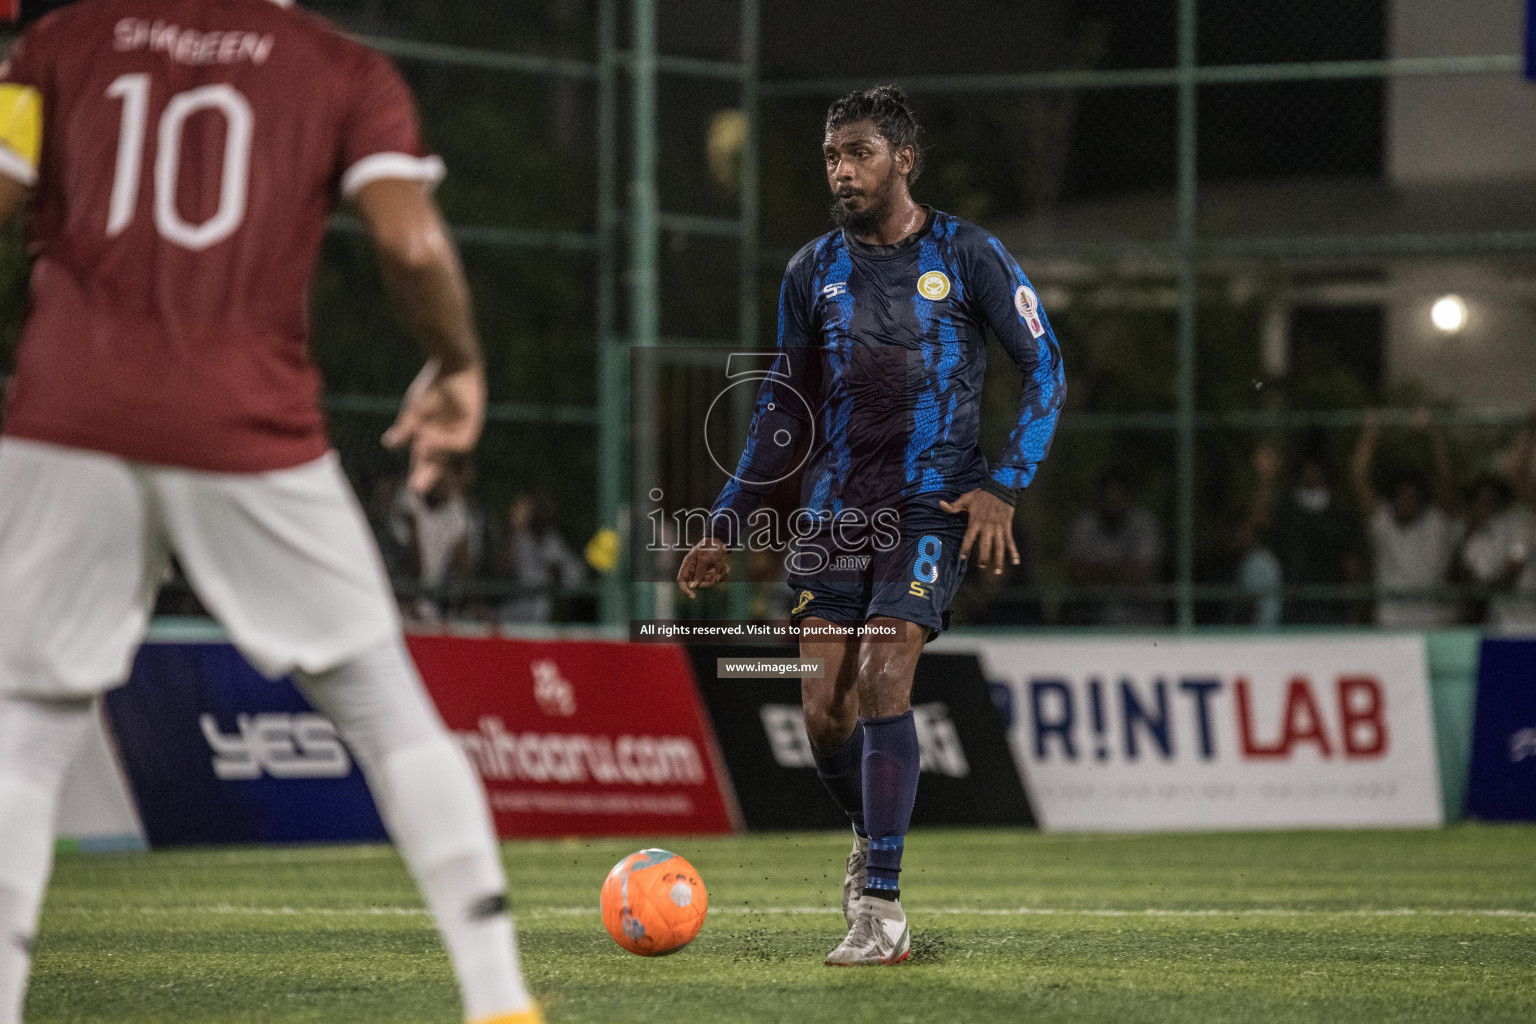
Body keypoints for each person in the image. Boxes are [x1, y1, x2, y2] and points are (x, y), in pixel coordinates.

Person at [0, 4, 540, 1023]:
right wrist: (458, 364)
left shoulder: (60, 42)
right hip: (248, 422)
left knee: (22, 731)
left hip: (65, 419)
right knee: (387, 711)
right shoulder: (342, 70)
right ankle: (498, 1000)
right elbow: (413, 246)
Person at [676, 86, 1064, 966]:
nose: (841, 171)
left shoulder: (969, 256)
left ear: (904, 160)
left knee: (888, 676)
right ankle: (868, 836)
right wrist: (727, 520)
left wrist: (1004, 484)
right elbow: (785, 402)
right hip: (833, 511)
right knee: (823, 713)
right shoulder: (811, 270)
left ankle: (882, 910)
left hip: (930, 507)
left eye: (857, 153)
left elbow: (1046, 368)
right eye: (831, 156)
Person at [1350, 408, 1461, 628]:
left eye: (1411, 498)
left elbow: (1445, 478)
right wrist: (1370, 433)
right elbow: (1357, 477)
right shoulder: (1384, 523)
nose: (1405, 502)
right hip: (1390, 625)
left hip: (1434, 625)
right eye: (1400, 497)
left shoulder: (1437, 523)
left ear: (1422, 501)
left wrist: (1432, 435)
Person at [1248, 443, 1365, 624]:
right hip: (1291, 608)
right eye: (1306, 468)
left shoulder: (1341, 515)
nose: (1311, 473)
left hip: (1331, 609)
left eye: (1316, 468)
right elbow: (1256, 524)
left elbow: (1351, 567)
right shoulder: (1286, 511)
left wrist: (1353, 610)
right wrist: (1266, 479)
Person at [392, 455, 487, 626]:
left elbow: (464, 566)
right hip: (397, 597)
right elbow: (412, 564)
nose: (456, 491)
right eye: (455, 482)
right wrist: (413, 602)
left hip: (429, 604)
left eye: (461, 487)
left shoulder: (456, 509)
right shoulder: (409, 497)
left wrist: (476, 603)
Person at [1065, 474, 1164, 625]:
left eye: (1118, 497)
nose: (1113, 503)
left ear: (1128, 498)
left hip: (1138, 614)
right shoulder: (1085, 525)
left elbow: (1143, 575)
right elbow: (1078, 573)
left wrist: (1099, 569)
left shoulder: (1143, 524)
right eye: (1109, 497)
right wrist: (1125, 570)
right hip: (1092, 614)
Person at [496, 493, 586, 625]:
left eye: (526, 509)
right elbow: (502, 569)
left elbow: (577, 575)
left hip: (539, 620)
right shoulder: (513, 538)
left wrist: (555, 574)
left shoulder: (550, 539)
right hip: (509, 617)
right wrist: (516, 529)